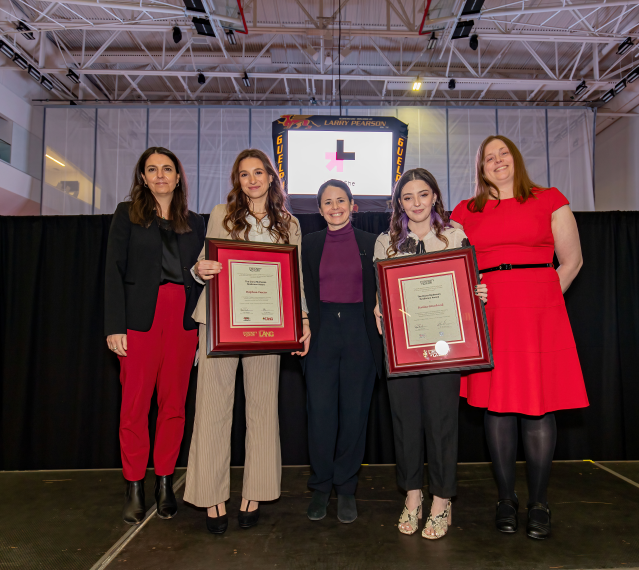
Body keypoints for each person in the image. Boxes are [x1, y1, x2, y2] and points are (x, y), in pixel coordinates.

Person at [450, 135, 588, 540]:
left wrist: (544, 296)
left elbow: (573, 260)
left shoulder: (549, 199)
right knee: (498, 407)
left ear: (515, 159)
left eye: (503, 154)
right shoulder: (465, 211)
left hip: (539, 315)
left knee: (539, 407)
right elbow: (452, 264)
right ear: (481, 168)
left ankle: (539, 502)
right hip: (491, 314)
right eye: (488, 158)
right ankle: (506, 499)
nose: (497, 161)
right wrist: (473, 289)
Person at [183, 149, 311, 534]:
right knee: (211, 409)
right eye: (244, 174)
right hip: (221, 322)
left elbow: (296, 277)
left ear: (272, 178)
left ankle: (254, 491)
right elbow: (204, 262)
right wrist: (198, 269)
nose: (252, 179)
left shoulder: (290, 223)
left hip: (268, 327)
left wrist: (302, 319)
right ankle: (211, 496)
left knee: (262, 410)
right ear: (237, 180)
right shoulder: (221, 215)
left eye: (259, 172)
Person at [373, 168, 487, 540]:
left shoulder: (454, 237)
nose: (416, 203)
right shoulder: (385, 242)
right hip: (402, 348)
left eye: (423, 195)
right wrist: (379, 309)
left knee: (441, 423)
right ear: (399, 203)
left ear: (435, 197)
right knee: (404, 423)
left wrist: (478, 294)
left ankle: (441, 499)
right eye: (407, 197)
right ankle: (412, 495)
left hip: (444, 348)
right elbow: (382, 294)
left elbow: (467, 288)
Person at [104, 147, 206, 525]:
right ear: (143, 177)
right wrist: (114, 325)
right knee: (134, 407)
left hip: (182, 320)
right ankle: (134, 484)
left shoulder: (195, 222)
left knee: (174, 406)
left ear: (178, 177)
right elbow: (112, 272)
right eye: (152, 169)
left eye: (167, 169)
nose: (160, 175)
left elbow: (200, 274)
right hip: (138, 321)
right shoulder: (126, 216)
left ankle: (164, 481)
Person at [300, 180, 381, 524]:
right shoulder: (309, 244)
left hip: (360, 335)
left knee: (354, 415)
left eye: (341, 200)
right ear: (319, 210)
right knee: (320, 415)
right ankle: (321, 487)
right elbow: (299, 288)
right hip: (320, 334)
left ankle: (346, 488)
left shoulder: (371, 242)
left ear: (353, 205)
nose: (335, 207)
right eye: (327, 202)